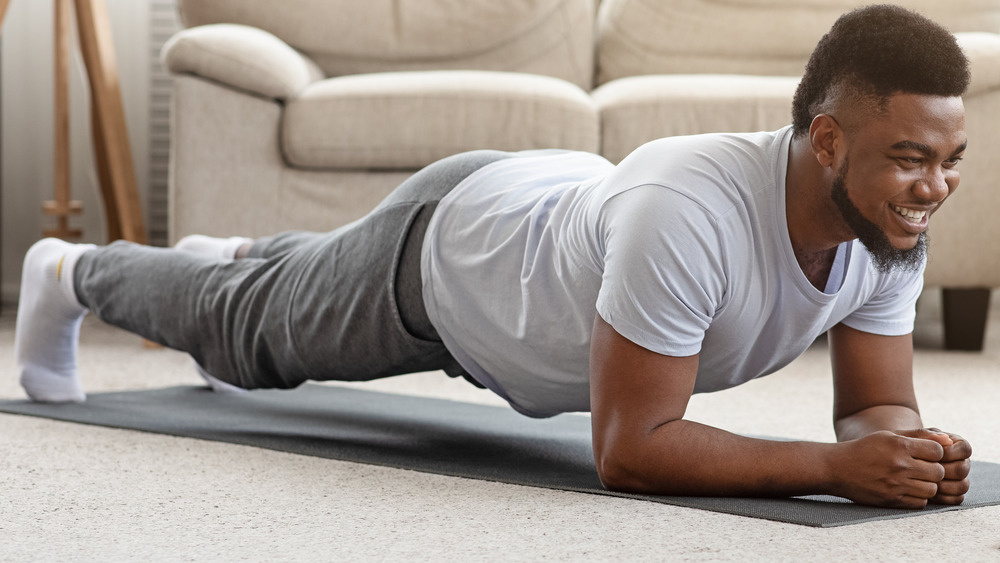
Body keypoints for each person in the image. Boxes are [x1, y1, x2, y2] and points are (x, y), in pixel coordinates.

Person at [15, 5, 973, 509]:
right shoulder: (690, 210)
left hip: (545, 215)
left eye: (949, 162)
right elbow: (631, 449)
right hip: (450, 261)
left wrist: (906, 449)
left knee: (269, 286)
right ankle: (69, 272)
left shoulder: (885, 227)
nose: (933, 186)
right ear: (828, 140)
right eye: (910, 157)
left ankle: (245, 256)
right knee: (243, 341)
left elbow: (872, 404)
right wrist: (835, 468)